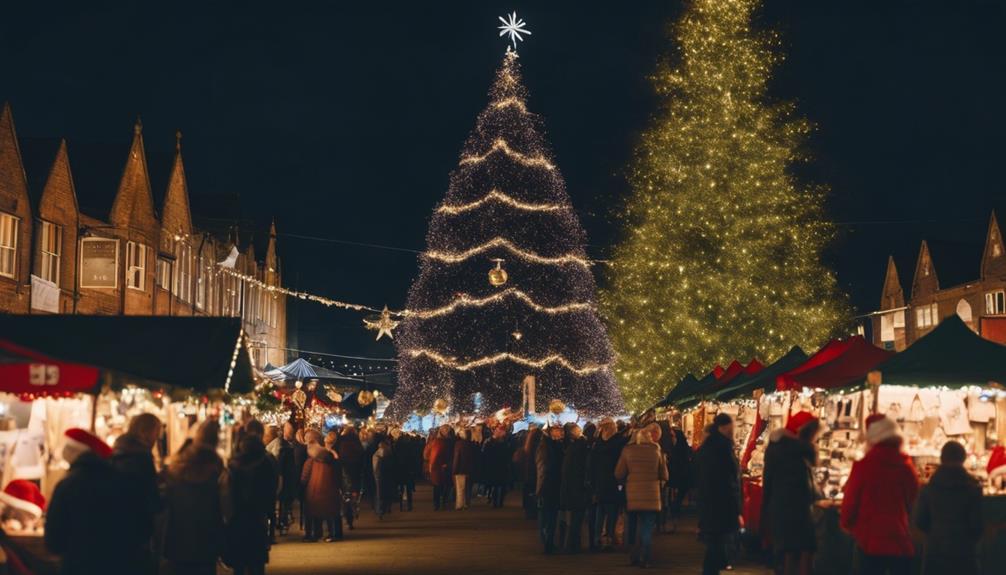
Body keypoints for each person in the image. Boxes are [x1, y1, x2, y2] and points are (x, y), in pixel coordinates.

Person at [46, 428, 142, 575]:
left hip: (77, 565)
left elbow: (54, 540)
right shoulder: (121, 481)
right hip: (117, 565)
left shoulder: (68, 485)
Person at [840, 414, 919, 575]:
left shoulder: (863, 466)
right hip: (899, 539)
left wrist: (847, 523)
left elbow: (851, 501)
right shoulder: (906, 467)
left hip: (869, 540)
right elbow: (914, 502)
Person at [761, 411, 821, 575]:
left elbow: (768, 481)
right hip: (798, 509)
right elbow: (802, 484)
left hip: (780, 508)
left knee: (788, 551)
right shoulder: (802, 450)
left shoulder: (776, 448)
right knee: (804, 549)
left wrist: (765, 511)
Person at [163, 420, 226, 575]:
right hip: (206, 537)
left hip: (178, 536)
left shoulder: (179, 462)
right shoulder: (215, 465)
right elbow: (222, 504)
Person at [913, 441, 983, 575]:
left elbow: (920, 521)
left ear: (942, 459)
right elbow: (977, 525)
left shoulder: (929, 489)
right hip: (965, 554)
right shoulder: (973, 489)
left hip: (936, 552)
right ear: (963, 458)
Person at [109, 413, 163, 573]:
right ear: (146, 432)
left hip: (116, 525)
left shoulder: (118, 451)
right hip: (137, 527)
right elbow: (150, 497)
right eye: (156, 433)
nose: (157, 438)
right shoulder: (142, 457)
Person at [225, 427, 279, 575]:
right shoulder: (266, 463)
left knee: (240, 561)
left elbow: (228, 492)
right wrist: (270, 512)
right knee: (256, 561)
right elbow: (270, 488)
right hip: (257, 516)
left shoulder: (234, 465)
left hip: (238, 517)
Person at [615, 424, 668, 568]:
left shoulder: (628, 450)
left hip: (632, 495)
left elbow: (619, 473)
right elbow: (664, 474)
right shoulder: (656, 450)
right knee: (646, 527)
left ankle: (633, 556)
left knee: (631, 526)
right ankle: (646, 558)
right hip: (651, 495)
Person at [696, 413, 742, 575]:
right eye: (731, 426)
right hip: (720, 502)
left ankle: (712, 570)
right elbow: (725, 478)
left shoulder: (711, 445)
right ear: (724, 427)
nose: (733, 429)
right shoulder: (721, 446)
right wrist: (736, 506)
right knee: (716, 542)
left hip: (712, 502)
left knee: (716, 541)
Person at [589, 417, 626, 551]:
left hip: (599, 482)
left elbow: (592, 465)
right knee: (612, 512)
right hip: (613, 482)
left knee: (600, 511)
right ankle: (609, 539)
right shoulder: (617, 442)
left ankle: (597, 538)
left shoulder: (597, 444)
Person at [301, 430, 345, 542]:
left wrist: (301, 487)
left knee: (313, 512)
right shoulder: (331, 458)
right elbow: (338, 474)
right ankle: (334, 533)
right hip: (330, 490)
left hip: (313, 490)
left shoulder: (310, 461)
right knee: (332, 512)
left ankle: (314, 534)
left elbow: (305, 477)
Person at [559, 423, 589, 553]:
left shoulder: (570, 447)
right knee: (576, 518)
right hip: (576, 487)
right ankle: (573, 545)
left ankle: (571, 544)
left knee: (573, 518)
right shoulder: (579, 446)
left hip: (570, 487)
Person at [536, 423, 565, 554]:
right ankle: (547, 542)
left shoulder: (549, 444)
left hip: (550, 484)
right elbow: (545, 467)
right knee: (549, 516)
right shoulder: (547, 446)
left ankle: (548, 541)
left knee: (549, 515)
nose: (560, 433)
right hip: (548, 484)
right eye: (558, 430)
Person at [336, 426, 364, 526]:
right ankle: (353, 512)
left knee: (345, 495)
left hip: (344, 470)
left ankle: (347, 515)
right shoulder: (356, 441)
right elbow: (361, 455)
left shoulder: (341, 440)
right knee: (353, 494)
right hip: (355, 471)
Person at [666, 426, 693, 530]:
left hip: (680, 477)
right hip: (675, 478)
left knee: (678, 498)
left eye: (673, 436)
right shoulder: (673, 447)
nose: (671, 438)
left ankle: (675, 514)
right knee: (675, 498)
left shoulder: (681, 449)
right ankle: (674, 515)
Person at [424, 425, 454, 511]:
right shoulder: (449, 442)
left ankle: (437, 504)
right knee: (443, 486)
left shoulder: (434, 442)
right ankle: (442, 502)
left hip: (436, 468)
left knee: (437, 486)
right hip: (442, 467)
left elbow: (426, 454)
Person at [276, 422, 298, 534]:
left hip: (286, 480)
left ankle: (283, 523)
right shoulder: (285, 448)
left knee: (284, 503)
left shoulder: (286, 447)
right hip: (286, 480)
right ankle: (283, 523)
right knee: (285, 503)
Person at [483, 425, 512, 508]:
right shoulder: (491, 442)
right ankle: (496, 502)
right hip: (495, 466)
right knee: (496, 485)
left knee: (500, 485)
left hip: (500, 466)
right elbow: (486, 454)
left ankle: (499, 502)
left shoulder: (504, 442)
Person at [518, 427, 543, 519]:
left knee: (528, 492)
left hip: (527, 475)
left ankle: (528, 511)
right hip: (535, 474)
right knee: (534, 493)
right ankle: (533, 511)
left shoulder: (526, 448)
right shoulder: (539, 448)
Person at [452, 429, 477, 510]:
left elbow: (457, 458)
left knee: (460, 488)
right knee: (468, 488)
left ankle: (460, 504)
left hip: (460, 469)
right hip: (471, 469)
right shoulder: (473, 445)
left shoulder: (459, 444)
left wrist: (454, 470)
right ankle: (467, 503)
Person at [372, 436, 396, 519]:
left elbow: (375, 467)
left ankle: (380, 510)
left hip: (379, 476)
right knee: (387, 491)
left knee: (380, 493)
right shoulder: (389, 453)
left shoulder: (376, 455)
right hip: (387, 475)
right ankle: (386, 507)